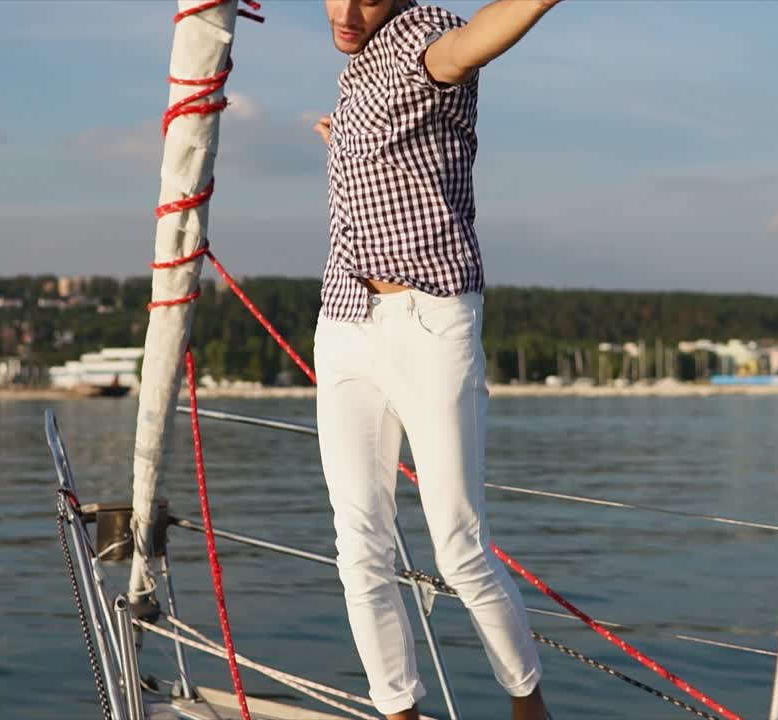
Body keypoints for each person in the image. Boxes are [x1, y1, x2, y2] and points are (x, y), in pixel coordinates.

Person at [311, 1, 561, 719]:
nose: (347, 10)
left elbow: (467, 46)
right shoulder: (358, 70)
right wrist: (344, 139)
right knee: (358, 544)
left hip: (428, 322)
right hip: (345, 319)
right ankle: (399, 712)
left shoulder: (420, 38)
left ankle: (529, 707)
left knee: (458, 546)